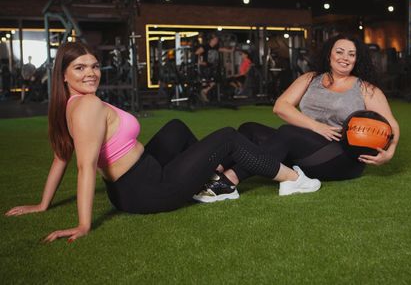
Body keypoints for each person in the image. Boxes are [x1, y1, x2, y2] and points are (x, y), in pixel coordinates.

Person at [4, 41, 321, 242]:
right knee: (227, 136)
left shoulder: (71, 104)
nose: (90, 73)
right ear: (63, 74)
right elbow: (83, 167)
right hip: (148, 190)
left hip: (135, 182)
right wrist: (84, 225)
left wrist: (42, 204)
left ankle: (216, 182)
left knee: (175, 127)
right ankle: (294, 178)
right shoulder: (87, 106)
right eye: (79, 68)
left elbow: (60, 157)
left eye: (93, 66)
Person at [193, 34, 399, 202]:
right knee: (250, 128)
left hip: (341, 157)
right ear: (329, 55)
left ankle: (228, 183)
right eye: (340, 51)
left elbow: (391, 125)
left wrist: (389, 152)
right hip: (305, 146)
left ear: (357, 59)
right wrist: (316, 127)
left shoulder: (365, 88)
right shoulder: (310, 78)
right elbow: (280, 107)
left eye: (351, 54)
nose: (345, 57)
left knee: (288, 133)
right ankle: (213, 172)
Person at [194, 33, 234, 102]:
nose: (216, 41)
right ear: (211, 40)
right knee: (207, 81)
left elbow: (222, 49)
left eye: (217, 40)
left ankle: (205, 91)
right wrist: (200, 62)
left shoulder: (216, 47)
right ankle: (203, 94)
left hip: (213, 67)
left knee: (216, 79)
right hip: (205, 67)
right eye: (215, 40)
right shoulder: (205, 47)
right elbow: (196, 53)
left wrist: (230, 50)